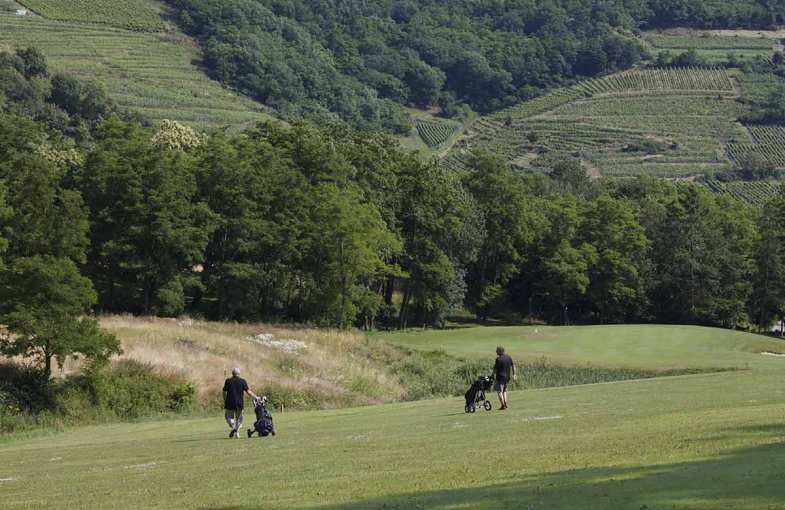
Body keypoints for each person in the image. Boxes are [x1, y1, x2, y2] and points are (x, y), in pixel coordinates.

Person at [223, 367, 258, 438]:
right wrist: (256, 397)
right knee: (239, 419)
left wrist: (225, 400)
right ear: (239, 373)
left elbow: (224, 391)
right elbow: (248, 392)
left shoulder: (228, 381)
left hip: (229, 403)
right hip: (239, 403)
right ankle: (237, 433)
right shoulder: (242, 381)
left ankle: (233, 427)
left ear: (232, 373)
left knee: (228, 417)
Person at [493, 346, 516, 410]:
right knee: (504, 391)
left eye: (497, 351)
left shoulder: (498, 359)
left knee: (499, 391)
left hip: (500, 378)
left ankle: (503, 405)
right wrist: (514, 374)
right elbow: (513, 365)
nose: (496, 352)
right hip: (507, 378)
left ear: (500, 351)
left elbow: (495, 369)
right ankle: (505, 403)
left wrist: (492, 375)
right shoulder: (508, 357)